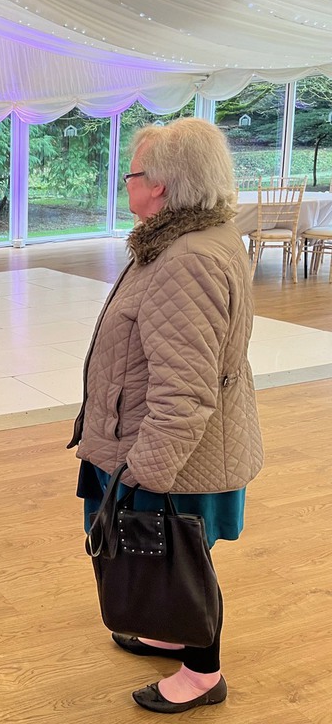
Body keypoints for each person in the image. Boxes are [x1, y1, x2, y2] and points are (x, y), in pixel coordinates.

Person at [68, 118, 264, 712]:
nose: (125, 182)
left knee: (182, 560)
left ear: (161, 185)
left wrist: (146, 473)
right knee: (170, 558)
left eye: (132, 173)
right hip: (156, 441)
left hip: (170, 453)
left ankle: (202, 673)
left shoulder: (187, 258)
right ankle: (170, 633)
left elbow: (184, 389)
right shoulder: (185, 239)